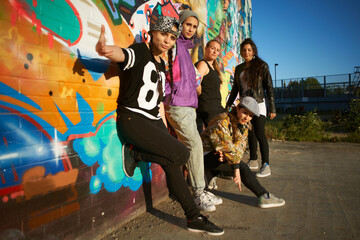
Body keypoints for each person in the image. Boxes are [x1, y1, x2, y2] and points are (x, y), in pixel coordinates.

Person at [95, 15, 224, 236]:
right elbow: (122, 54)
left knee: (172, 161)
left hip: (153, 122)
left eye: (172, 37)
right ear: (153, 33)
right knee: (182, 153)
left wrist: (164, 131)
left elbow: (159, 105)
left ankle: (193, 217)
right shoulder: (140, 51)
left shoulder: (161, 64)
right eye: (164, 34)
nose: (167, 40)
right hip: (133, 120)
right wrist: (106, 49)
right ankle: (136, 154)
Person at [164, 10, 222, 212]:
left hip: (189, 106)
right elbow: (164, 69)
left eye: (194, 26)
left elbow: (193, 80)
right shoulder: (174, 44)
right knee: (195, 145)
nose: (191, 29)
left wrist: (194, 87)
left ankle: (195, 190)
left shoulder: (186, 50)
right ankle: (198, 192)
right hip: (178, 104)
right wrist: (171, 94)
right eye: (188, 24)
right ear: (180, 24)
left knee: (189, 148)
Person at [202, 97, 285, 208]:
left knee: (234, 162)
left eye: (250, 115)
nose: (247, 117)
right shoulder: (222, 120)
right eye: (245, 113)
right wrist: (236, 168)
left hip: (217, 155)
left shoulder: (244, 126)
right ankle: (263, 196)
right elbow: (227, 146)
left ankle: (210, 175)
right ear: (238, 109)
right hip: (202, 155)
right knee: (241, 167)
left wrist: (227, 156)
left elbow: (239, 149)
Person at [226, 38, 276, 178]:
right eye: (244, 50)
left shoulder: (262, 66)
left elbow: (269, 87)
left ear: (253, 51)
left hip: (259, 104)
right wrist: (229, 104)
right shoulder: (239, 68)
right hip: (245, 105)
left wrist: (272, 107)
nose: (246, 52)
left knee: (260, 133)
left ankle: (266, 165)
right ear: (241, 52)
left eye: (249, 50)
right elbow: (236, 88)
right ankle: (253, 160)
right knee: (250, 134)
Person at [195, 39, 225, 134]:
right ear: (206, 48)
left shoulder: (215, 68)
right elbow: (195, 84)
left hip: (216, 108)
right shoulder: (203, 64)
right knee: (218, 142)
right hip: (208, 110)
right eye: (212, 48)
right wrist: (201, 94)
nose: (215, 51)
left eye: (217, 50)